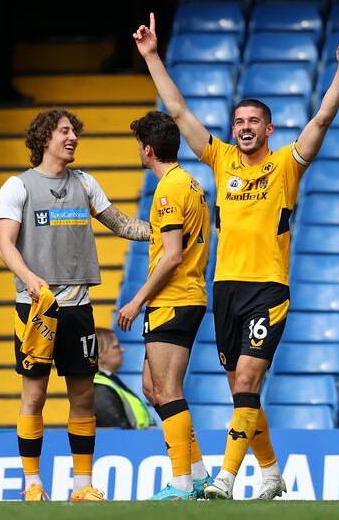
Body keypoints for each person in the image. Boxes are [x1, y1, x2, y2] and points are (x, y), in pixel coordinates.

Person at [134, 14, 339, 500]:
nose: (244, 127)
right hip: (226, 290)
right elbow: (178, 111)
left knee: (250, 377)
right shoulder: (220, 161)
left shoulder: (286, 164)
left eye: (253, 121)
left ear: (270, 128)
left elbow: (321, 120)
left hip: (268, 288)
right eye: (238, 121)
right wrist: (152, 56)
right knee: (242, 390)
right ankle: (273, 472)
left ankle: (225, 479)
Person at [0, 109, 151, 502]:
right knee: (34, 397)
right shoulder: (18, 186)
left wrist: (164, 231)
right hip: (35, 309)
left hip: (79, 306)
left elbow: (120, 224)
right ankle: (32, 485)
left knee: (82, 397)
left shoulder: (85, 183)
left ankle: (82, 487)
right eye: (65, 131)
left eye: (74, 132)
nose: (73, 138)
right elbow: (5, 245)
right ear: (45, 138)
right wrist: (31, 281)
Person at [116, 110, 214, 500]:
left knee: (168, 390)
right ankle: (199, 473)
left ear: (148, 150)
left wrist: (136, 300)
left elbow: (172, 255)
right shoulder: (188, 183)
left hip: (175, 298)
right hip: (176, 300)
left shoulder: (170, 190)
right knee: (152, 390)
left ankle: (182, 483)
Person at [93, 327, 153, 430]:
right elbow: (115, 432)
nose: (122, 350)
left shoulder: (109, 382)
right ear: (100, 353)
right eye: (116, 347)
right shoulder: (100, 388)